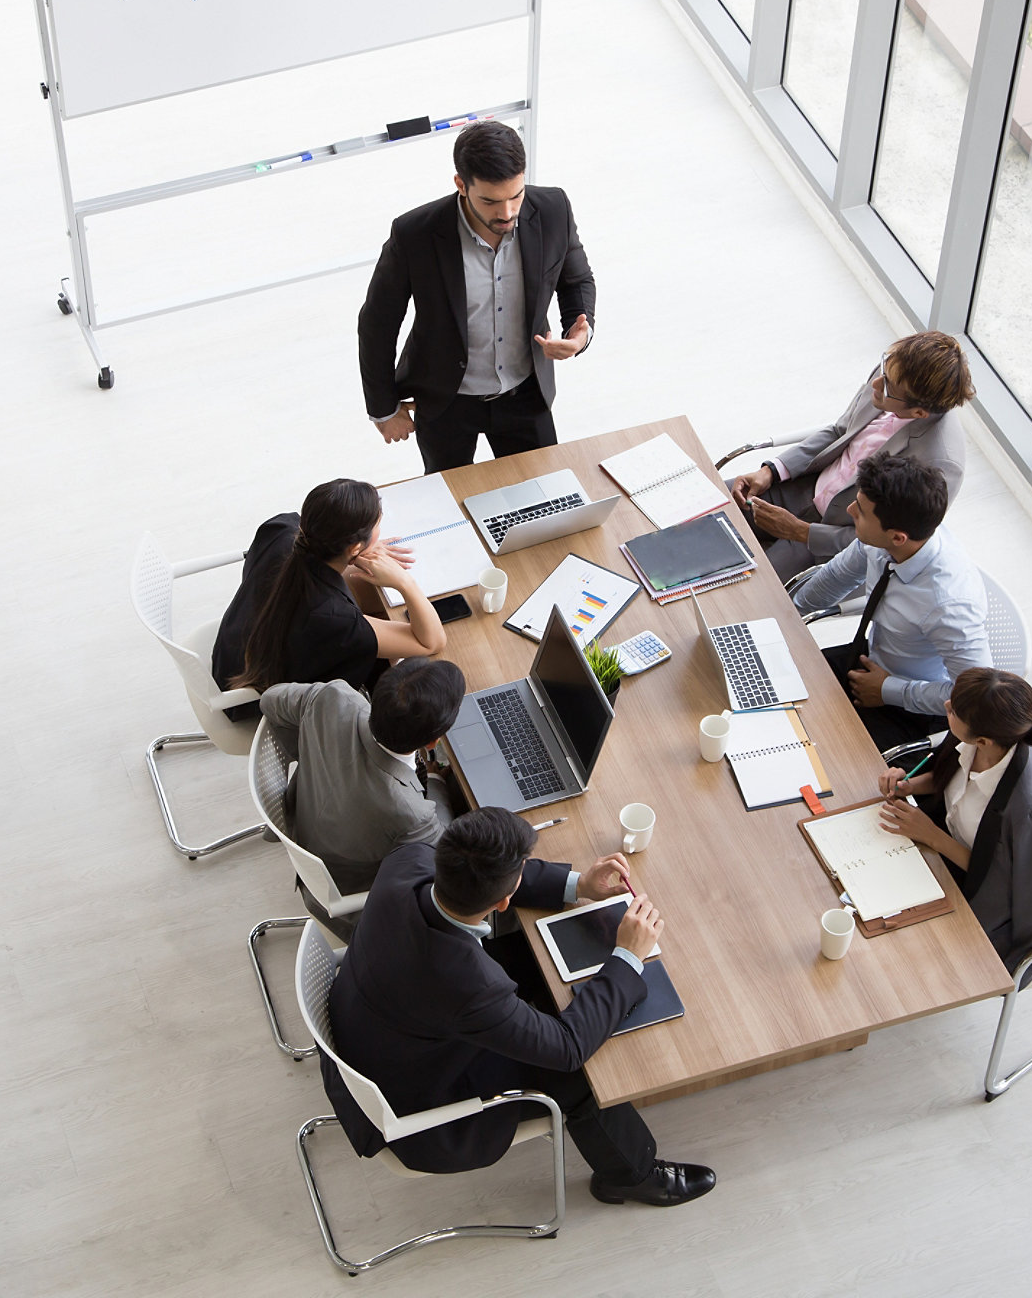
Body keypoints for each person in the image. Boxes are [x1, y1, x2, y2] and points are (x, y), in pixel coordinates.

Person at [321, 807, 717, 1208]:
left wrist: (578, 884)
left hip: (377, 1025)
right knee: (579, 1076)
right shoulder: (470, 986)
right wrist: (628, 956)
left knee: (531, 960)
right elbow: (568, 1049)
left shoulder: (406, 864)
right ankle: (631, 1175)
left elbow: (487, 881)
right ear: (504, 899)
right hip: (418, 1105)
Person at [358, 120, 596, 473]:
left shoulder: (553, 208)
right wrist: (384, 408)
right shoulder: (414, 234)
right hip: (445, 402)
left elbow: (576, 279)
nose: (507, 213)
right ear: (461, 185)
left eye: (516, 196)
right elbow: (378, 323)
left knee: (546, 499)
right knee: (449, 509)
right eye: (490, 201)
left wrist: (580, 331)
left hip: (526, 394)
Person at [731, 332, 972, 582]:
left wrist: (802, 532)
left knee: (748, 589)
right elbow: (840, 431)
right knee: (710, 504)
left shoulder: (939, 464)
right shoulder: (890, 373)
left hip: (832, 539)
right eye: (883, 371)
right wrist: (771, 470)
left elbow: (888, 541)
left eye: (887, 385)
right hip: (803, 488)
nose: (876, 384)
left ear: (919, 412)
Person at [790, 453, 990, 751]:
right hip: (871, 661)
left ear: (898, 537)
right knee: (776, 689)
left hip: (911, 707)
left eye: (860, 512)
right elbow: (837, 577)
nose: (849, 510)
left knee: (818, 750)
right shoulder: (885, 540)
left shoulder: (949, 606)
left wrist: (889, 691)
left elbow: (974, 700)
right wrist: (785, 614)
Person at [877, 667, 1032, 983]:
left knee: (882, 946)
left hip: (972, 897)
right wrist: (909, 786)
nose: (947, 707)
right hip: (938, 851)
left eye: (953, 710)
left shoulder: (1031, 815)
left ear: (984, 740)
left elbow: (1004, 887)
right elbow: (948, 775)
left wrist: (930, 835)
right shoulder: (982, 735)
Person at [211, 478, 445, 718]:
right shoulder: (333, 617)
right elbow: (431, 642)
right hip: (252, 697)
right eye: (377, 525)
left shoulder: (282, 529)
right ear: (353, 547)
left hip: (230, 657)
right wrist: (404, 582)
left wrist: (352, 557)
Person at [259, 657, 466, 904]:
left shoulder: (333, 697)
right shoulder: (410, 813)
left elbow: (269, 700)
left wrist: (313, 751)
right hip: (352, 896)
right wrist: (435, 781)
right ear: (433, 742)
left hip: (305, 826)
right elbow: (444, 858)